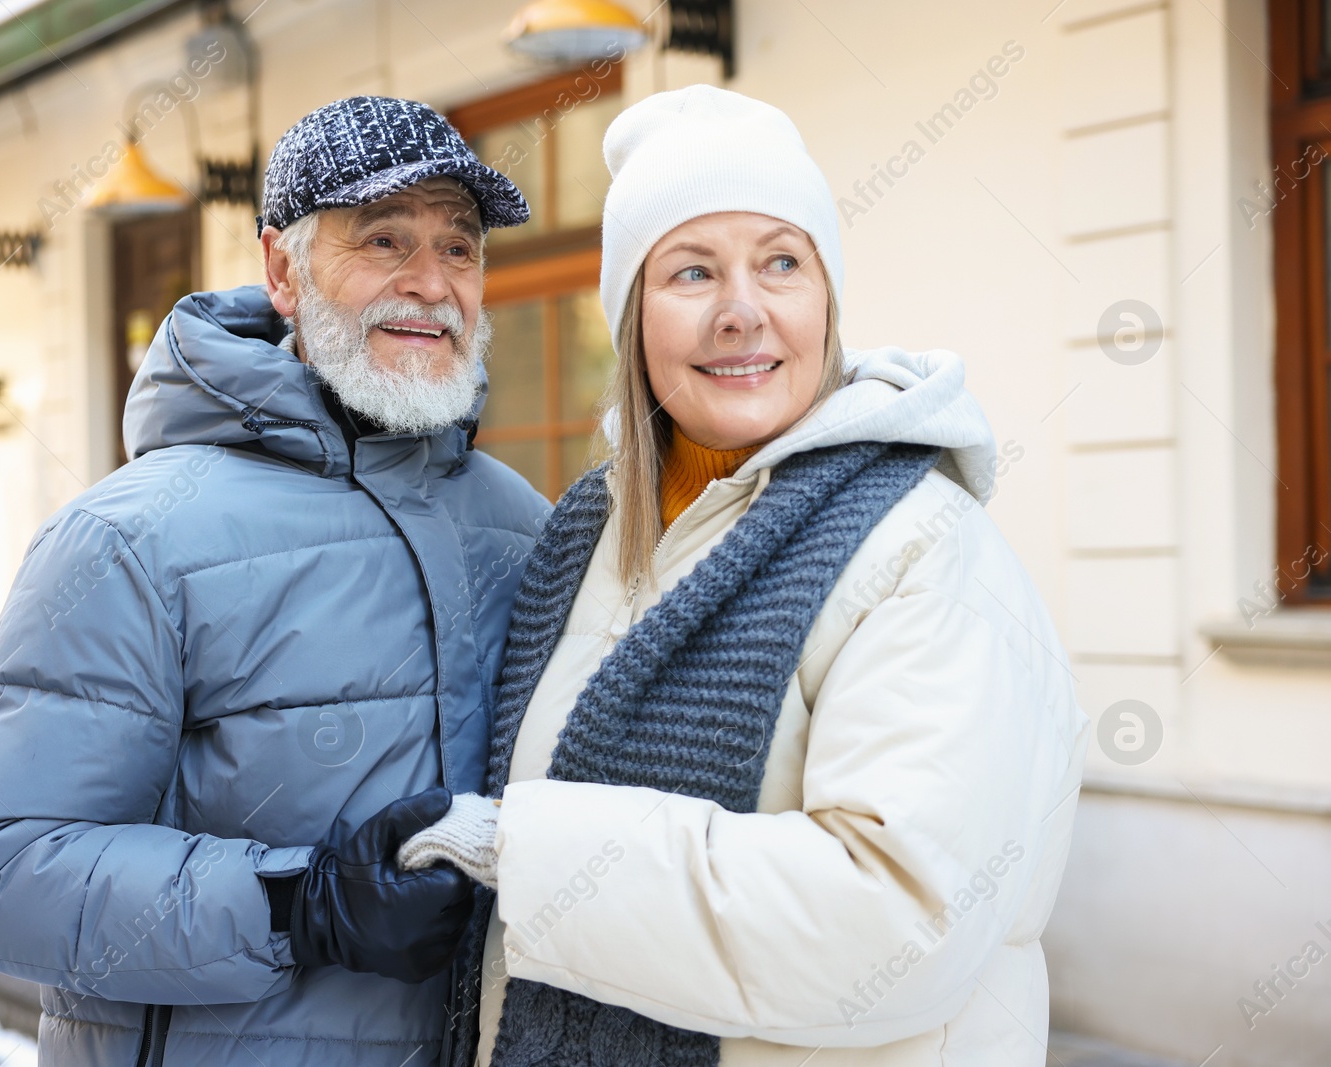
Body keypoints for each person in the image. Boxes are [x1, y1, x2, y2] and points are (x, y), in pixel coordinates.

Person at [398, 85, 1089, 1067]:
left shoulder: (920, 550)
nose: (741, 311)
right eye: (690, 271)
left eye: (780, 262)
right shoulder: (583, 541)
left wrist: (528, 851)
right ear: (634, 318)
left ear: (825, 300)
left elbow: (893, 924)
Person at [0, 96, 551, 1066]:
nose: (430, 283)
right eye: (383, 240)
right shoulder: (128, 539)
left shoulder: (520, 521)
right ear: (281, 271)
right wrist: (302, 902)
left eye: (459, 248)